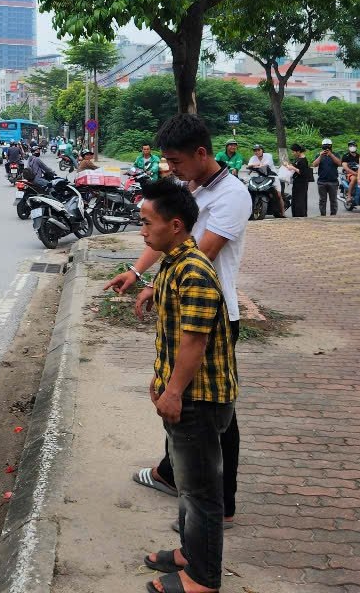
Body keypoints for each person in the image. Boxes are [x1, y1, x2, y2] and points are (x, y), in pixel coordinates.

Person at [105, 114, 250, 539]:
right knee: (182, 407)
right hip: (181, 309)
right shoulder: (192, 188)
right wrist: (137, 273)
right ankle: (172, 473)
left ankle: (220, 505)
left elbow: (197, 252)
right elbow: (165, 236)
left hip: (211, 316)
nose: (171, 168)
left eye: (176, 161)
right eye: (167, 161)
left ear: (201, 153)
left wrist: (155, 283)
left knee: (213, 414)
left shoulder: (232, 195)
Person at [132, 178, 237, 593]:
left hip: (199, 399)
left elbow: (194, 342)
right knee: (188, 487)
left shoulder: (193, 271)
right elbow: (174, 335)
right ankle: (191, 554)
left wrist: (173, 391)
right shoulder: (173, 263)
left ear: (175, 225)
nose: (142, 231)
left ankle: (203, 579)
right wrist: (161, 379)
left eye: (147, 223)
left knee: (201, 492)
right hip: (184, 392)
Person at [245, 143, 284, 218]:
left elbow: (266, 164)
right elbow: (249, 166)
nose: (257, 152)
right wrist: (254, 166)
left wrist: (254, 165)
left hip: (273, 176)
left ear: (262, 150)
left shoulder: (268, 156)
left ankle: (283, 213)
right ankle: (251, 211)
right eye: (255, 150)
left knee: (279, 195)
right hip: (261, 177)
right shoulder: (253, 158)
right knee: (253, 190)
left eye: (258, 150)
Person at [313, 139, 341, 217]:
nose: (326, 148)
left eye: (328, 146)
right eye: (324, 146)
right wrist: (320, 156)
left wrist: (331, 155)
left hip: (333, 181)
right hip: (322, 181)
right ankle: (323, 215)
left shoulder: (336, 154)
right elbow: (314, 164)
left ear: (331, 146)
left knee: (333, 200)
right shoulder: (319, 155)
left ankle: (333, 215)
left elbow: (339, 163)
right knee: (322, 200)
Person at [288, 143, 312, 217]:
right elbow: (295, 166)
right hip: (296, 182)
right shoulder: (298, 158)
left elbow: (303, 172)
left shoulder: (303, 160)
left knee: (300, 200)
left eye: (293, 152)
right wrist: (288, 165)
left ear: (298, 151)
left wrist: (293, 168)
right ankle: (295, 215)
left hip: (302, 183)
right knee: (295, 199)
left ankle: (300, 215)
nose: (292, 153)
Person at [340, 141, 360, 209]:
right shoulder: (345, 156)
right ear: (348, 147)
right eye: (350, 146)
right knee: (354, 178)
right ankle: (349, 195)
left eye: (353, 146)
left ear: (356, 147)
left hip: (359, 173)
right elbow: (345, 167)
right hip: (349, 173)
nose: (352, 147)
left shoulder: (359, 156)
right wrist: (354, 173)